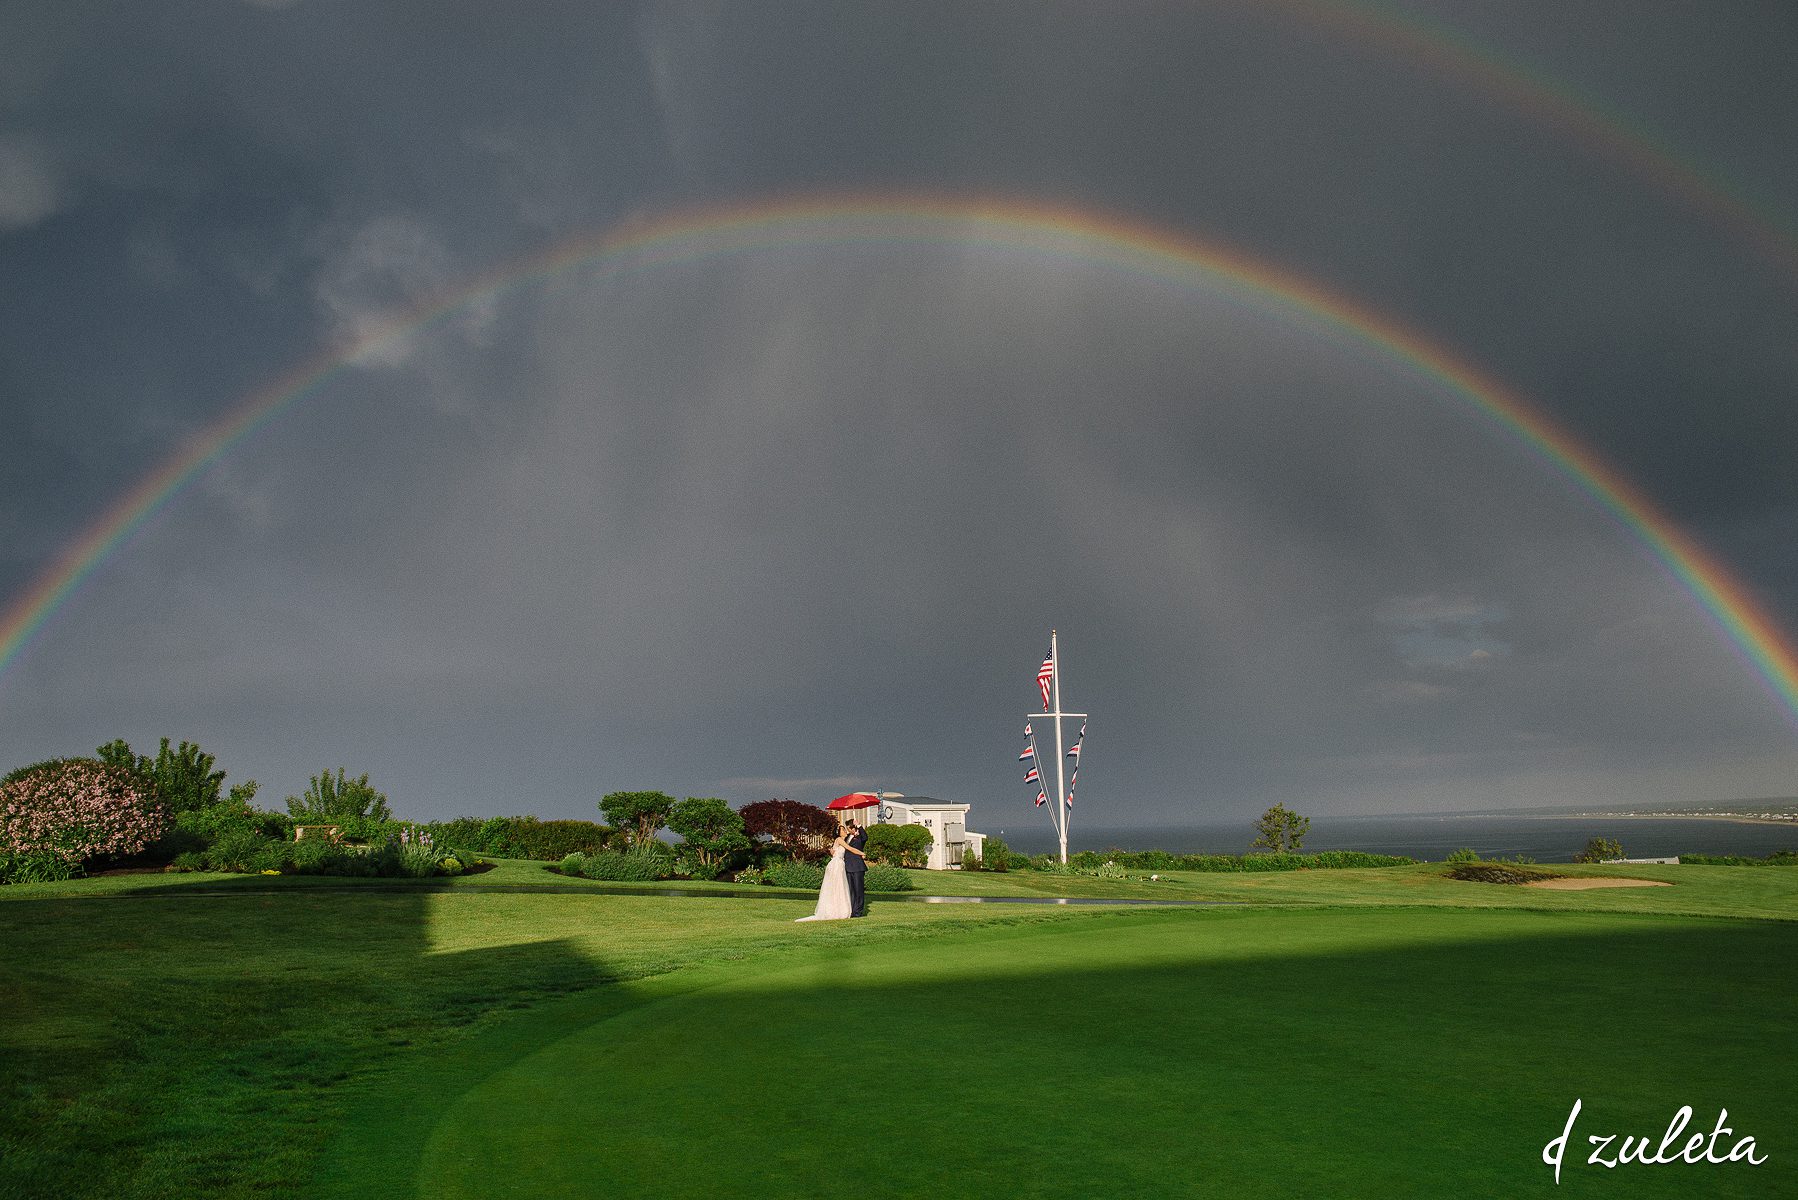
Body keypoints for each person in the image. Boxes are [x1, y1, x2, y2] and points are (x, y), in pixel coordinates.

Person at [795, 823, 853, 921]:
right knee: (836, 886)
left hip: (839, 864)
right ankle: (835, 910)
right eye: (843, 830)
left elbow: (837, 851)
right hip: (836, 865)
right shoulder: (839, 840)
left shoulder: (842, 841)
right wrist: (861, 853)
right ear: (838, 833)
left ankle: (839, 909)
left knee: (839, 886)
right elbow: (850, 849)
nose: (845, 831)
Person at [843, 818, 869, 918]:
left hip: (857, 867)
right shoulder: (847, 838)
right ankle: (852, 911)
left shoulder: (860, 837)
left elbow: (865, 837)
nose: (848, 830)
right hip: (848, 867)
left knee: (859, 890)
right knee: (851, 891)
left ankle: (858, 912)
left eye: (849, 828)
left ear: (853, 828)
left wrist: (859, 826)